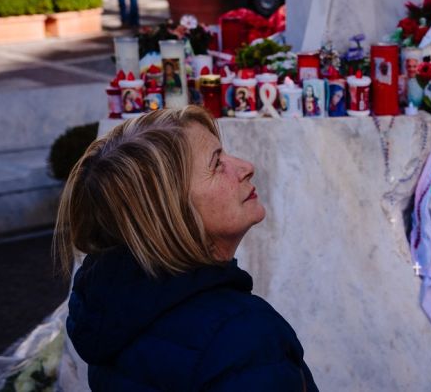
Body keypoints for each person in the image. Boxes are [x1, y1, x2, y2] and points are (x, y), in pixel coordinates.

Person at [56, 107, 319, 390]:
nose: (245, 167)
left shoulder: (111, 311)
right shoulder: (242, 337)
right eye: (217, 163)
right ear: (169, 210)